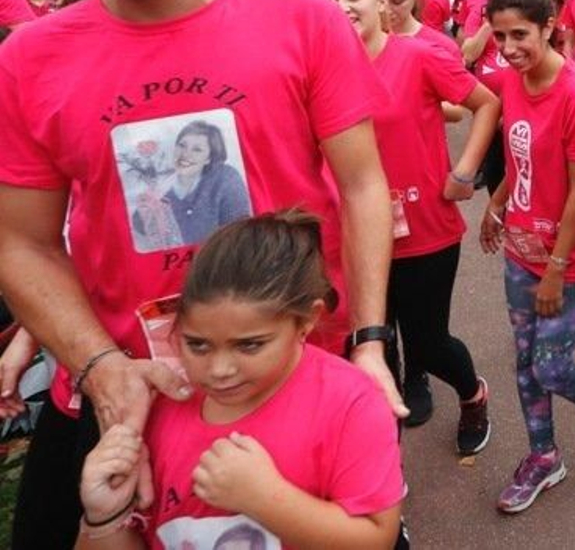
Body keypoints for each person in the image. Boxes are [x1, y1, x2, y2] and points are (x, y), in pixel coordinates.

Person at [0, 0, 400, 549]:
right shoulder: (29, 57)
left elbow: (363, 185)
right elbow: (21, 242)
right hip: (122, 383)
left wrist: (370, 341)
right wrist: (99, 367)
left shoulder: (307, 20)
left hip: (290, 369)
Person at [75, 211, 405, 549]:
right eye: (197, 344)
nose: (219, 370)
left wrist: (266, 500)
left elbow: (377, 538)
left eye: (249, 345)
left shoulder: (351, 403)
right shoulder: (157, 407)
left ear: (307, 320)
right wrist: (105, 518)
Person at [322, 0, 501, 451]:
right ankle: (385, 456)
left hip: (424, 230)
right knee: (368, 342)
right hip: (353, 234)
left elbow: (486, 103)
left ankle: (471, 393)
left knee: (428, 342)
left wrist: (464, 171)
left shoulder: (418, 57)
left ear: (382, 4)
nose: (341, 6)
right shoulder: (316, 72)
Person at [477, 0, 575, 514]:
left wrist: (557, 268)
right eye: (500, 36)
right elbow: (523, 157)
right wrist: (498, 204)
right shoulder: (513, 81)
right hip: (520, 248)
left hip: (571, 258)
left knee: (551, 366)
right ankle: (543, 456)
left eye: (520, 35)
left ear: (550, 27)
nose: (509, 48)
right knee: (525, 360)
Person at [162, 121, 252, 248]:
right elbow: (141, 227)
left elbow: (239, 234)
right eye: (182, 145)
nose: (185, 154)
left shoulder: (225, 178)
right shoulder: (161, 182)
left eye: (197, 150)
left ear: (209, 158)